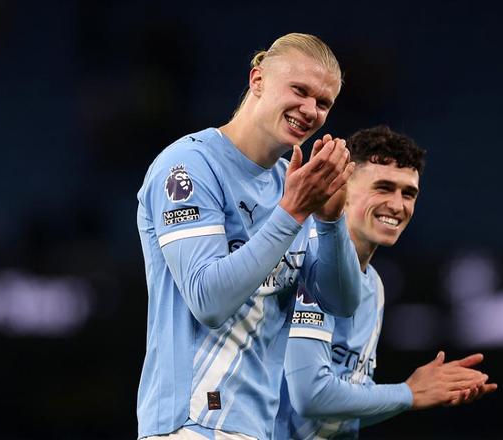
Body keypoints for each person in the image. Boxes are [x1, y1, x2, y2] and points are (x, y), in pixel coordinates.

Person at [136, 33, 363, 440]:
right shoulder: (189, 165)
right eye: (299, 90)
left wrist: (330, 222)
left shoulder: (293, 183)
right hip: (191, 422)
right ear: (257, 80)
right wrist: (292, 212)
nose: (310, 110)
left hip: (256, 427)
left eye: (323, 103)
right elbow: (208, 300)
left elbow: (342, 302)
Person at [277, 125, 498, 439]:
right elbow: (310, 397)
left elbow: (336, 415)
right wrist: (409, 393)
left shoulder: (375, 285)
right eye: (383, 188)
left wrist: (423, 393)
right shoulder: (310, 260)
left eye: (408, 193)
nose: (397, 205)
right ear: (343, 189)